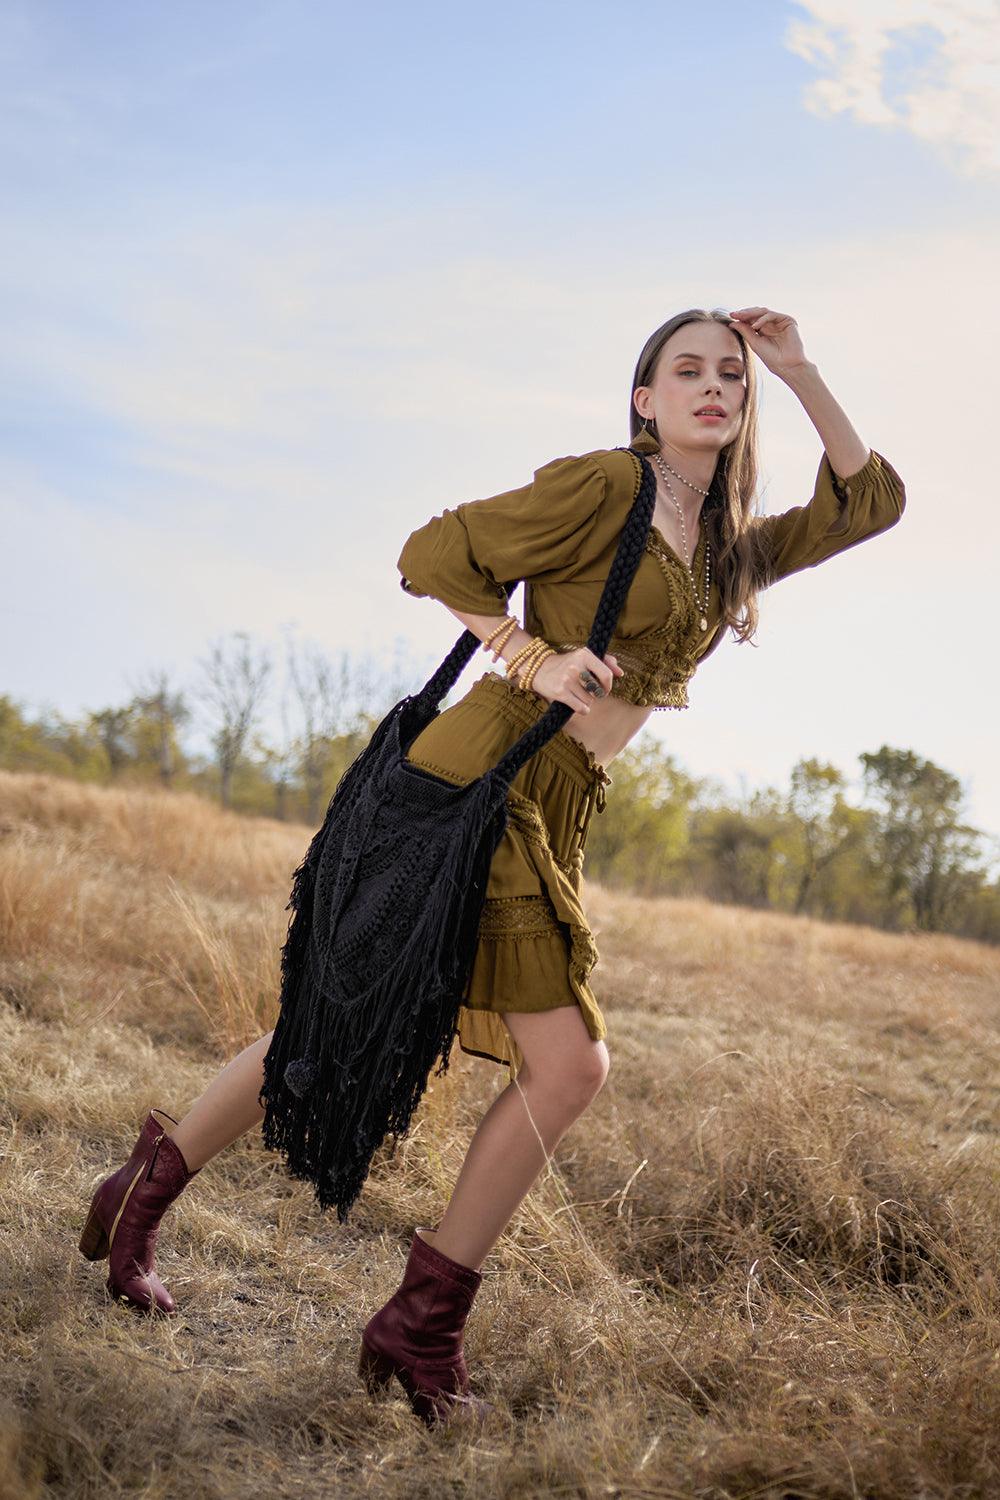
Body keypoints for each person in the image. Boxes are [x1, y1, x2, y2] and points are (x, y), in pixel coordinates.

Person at [79, 306, 904, 1423]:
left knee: (341, 1022)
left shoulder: (726, 546)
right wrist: (532, 650)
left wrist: (801, 371)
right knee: (566, 1069)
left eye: (731, 375)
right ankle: (419, 1328)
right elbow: (433, 553)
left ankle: (149, 1188)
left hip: (557, 803)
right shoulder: (608, 487)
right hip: (483, 779)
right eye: (685, 372)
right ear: (643, 399)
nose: (714, 387)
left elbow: (870, 504)